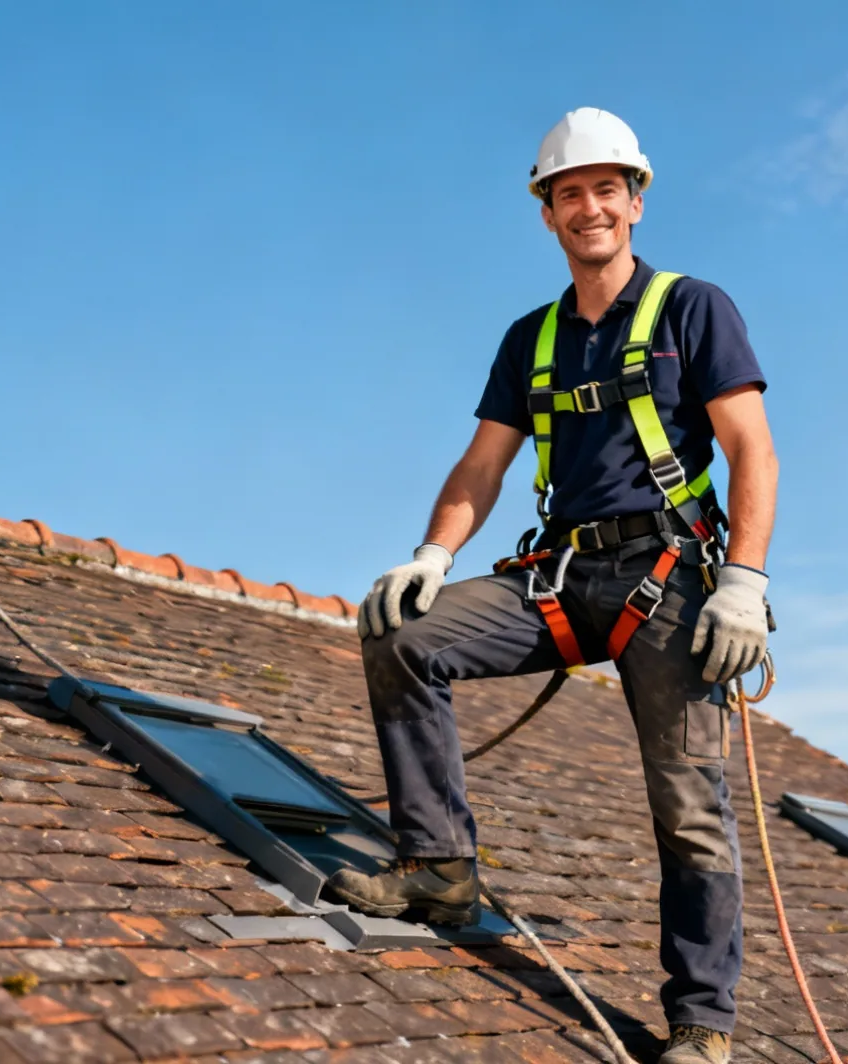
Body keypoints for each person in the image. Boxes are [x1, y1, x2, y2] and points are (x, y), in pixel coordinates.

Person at [329, 107, 778, 1064]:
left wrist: (743, 581)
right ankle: (439, 867)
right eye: (568, 193)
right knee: (404, 635)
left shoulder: (693, 308)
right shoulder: (528, 339)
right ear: (546, 213)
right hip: (562, 574)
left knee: (689, 807)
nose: (588, 208)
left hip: (667, 578)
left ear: (636, 200)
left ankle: (702, 1026)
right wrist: (433, 556)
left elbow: (751, 450)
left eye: (605, 190)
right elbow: (482, 466)